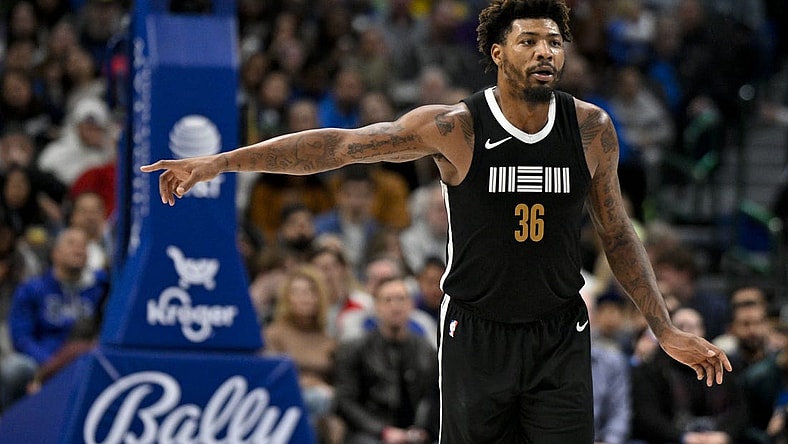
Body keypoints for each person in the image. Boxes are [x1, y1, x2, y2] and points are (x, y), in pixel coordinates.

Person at [141, 1, 731, 441]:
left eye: (554, 42)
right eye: (529, 41)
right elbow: (341, 147)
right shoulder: (457, 127)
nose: (545, 52)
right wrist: (221, 162)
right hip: (476, 332)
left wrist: (664, 328)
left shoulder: (591, 129)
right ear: (498, 53)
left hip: (558, 333)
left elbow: (617, 232)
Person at [333, 276, 438, 444]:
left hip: (416, 431)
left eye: (401, 299)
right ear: (376, 307)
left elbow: (435, 398)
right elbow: (345, 402)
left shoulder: (425, 350)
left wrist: (424, 429)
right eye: (387, 300)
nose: (395, 306)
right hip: (369, 432)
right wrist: (383, 431)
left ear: (411, 305)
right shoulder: (355, 350)